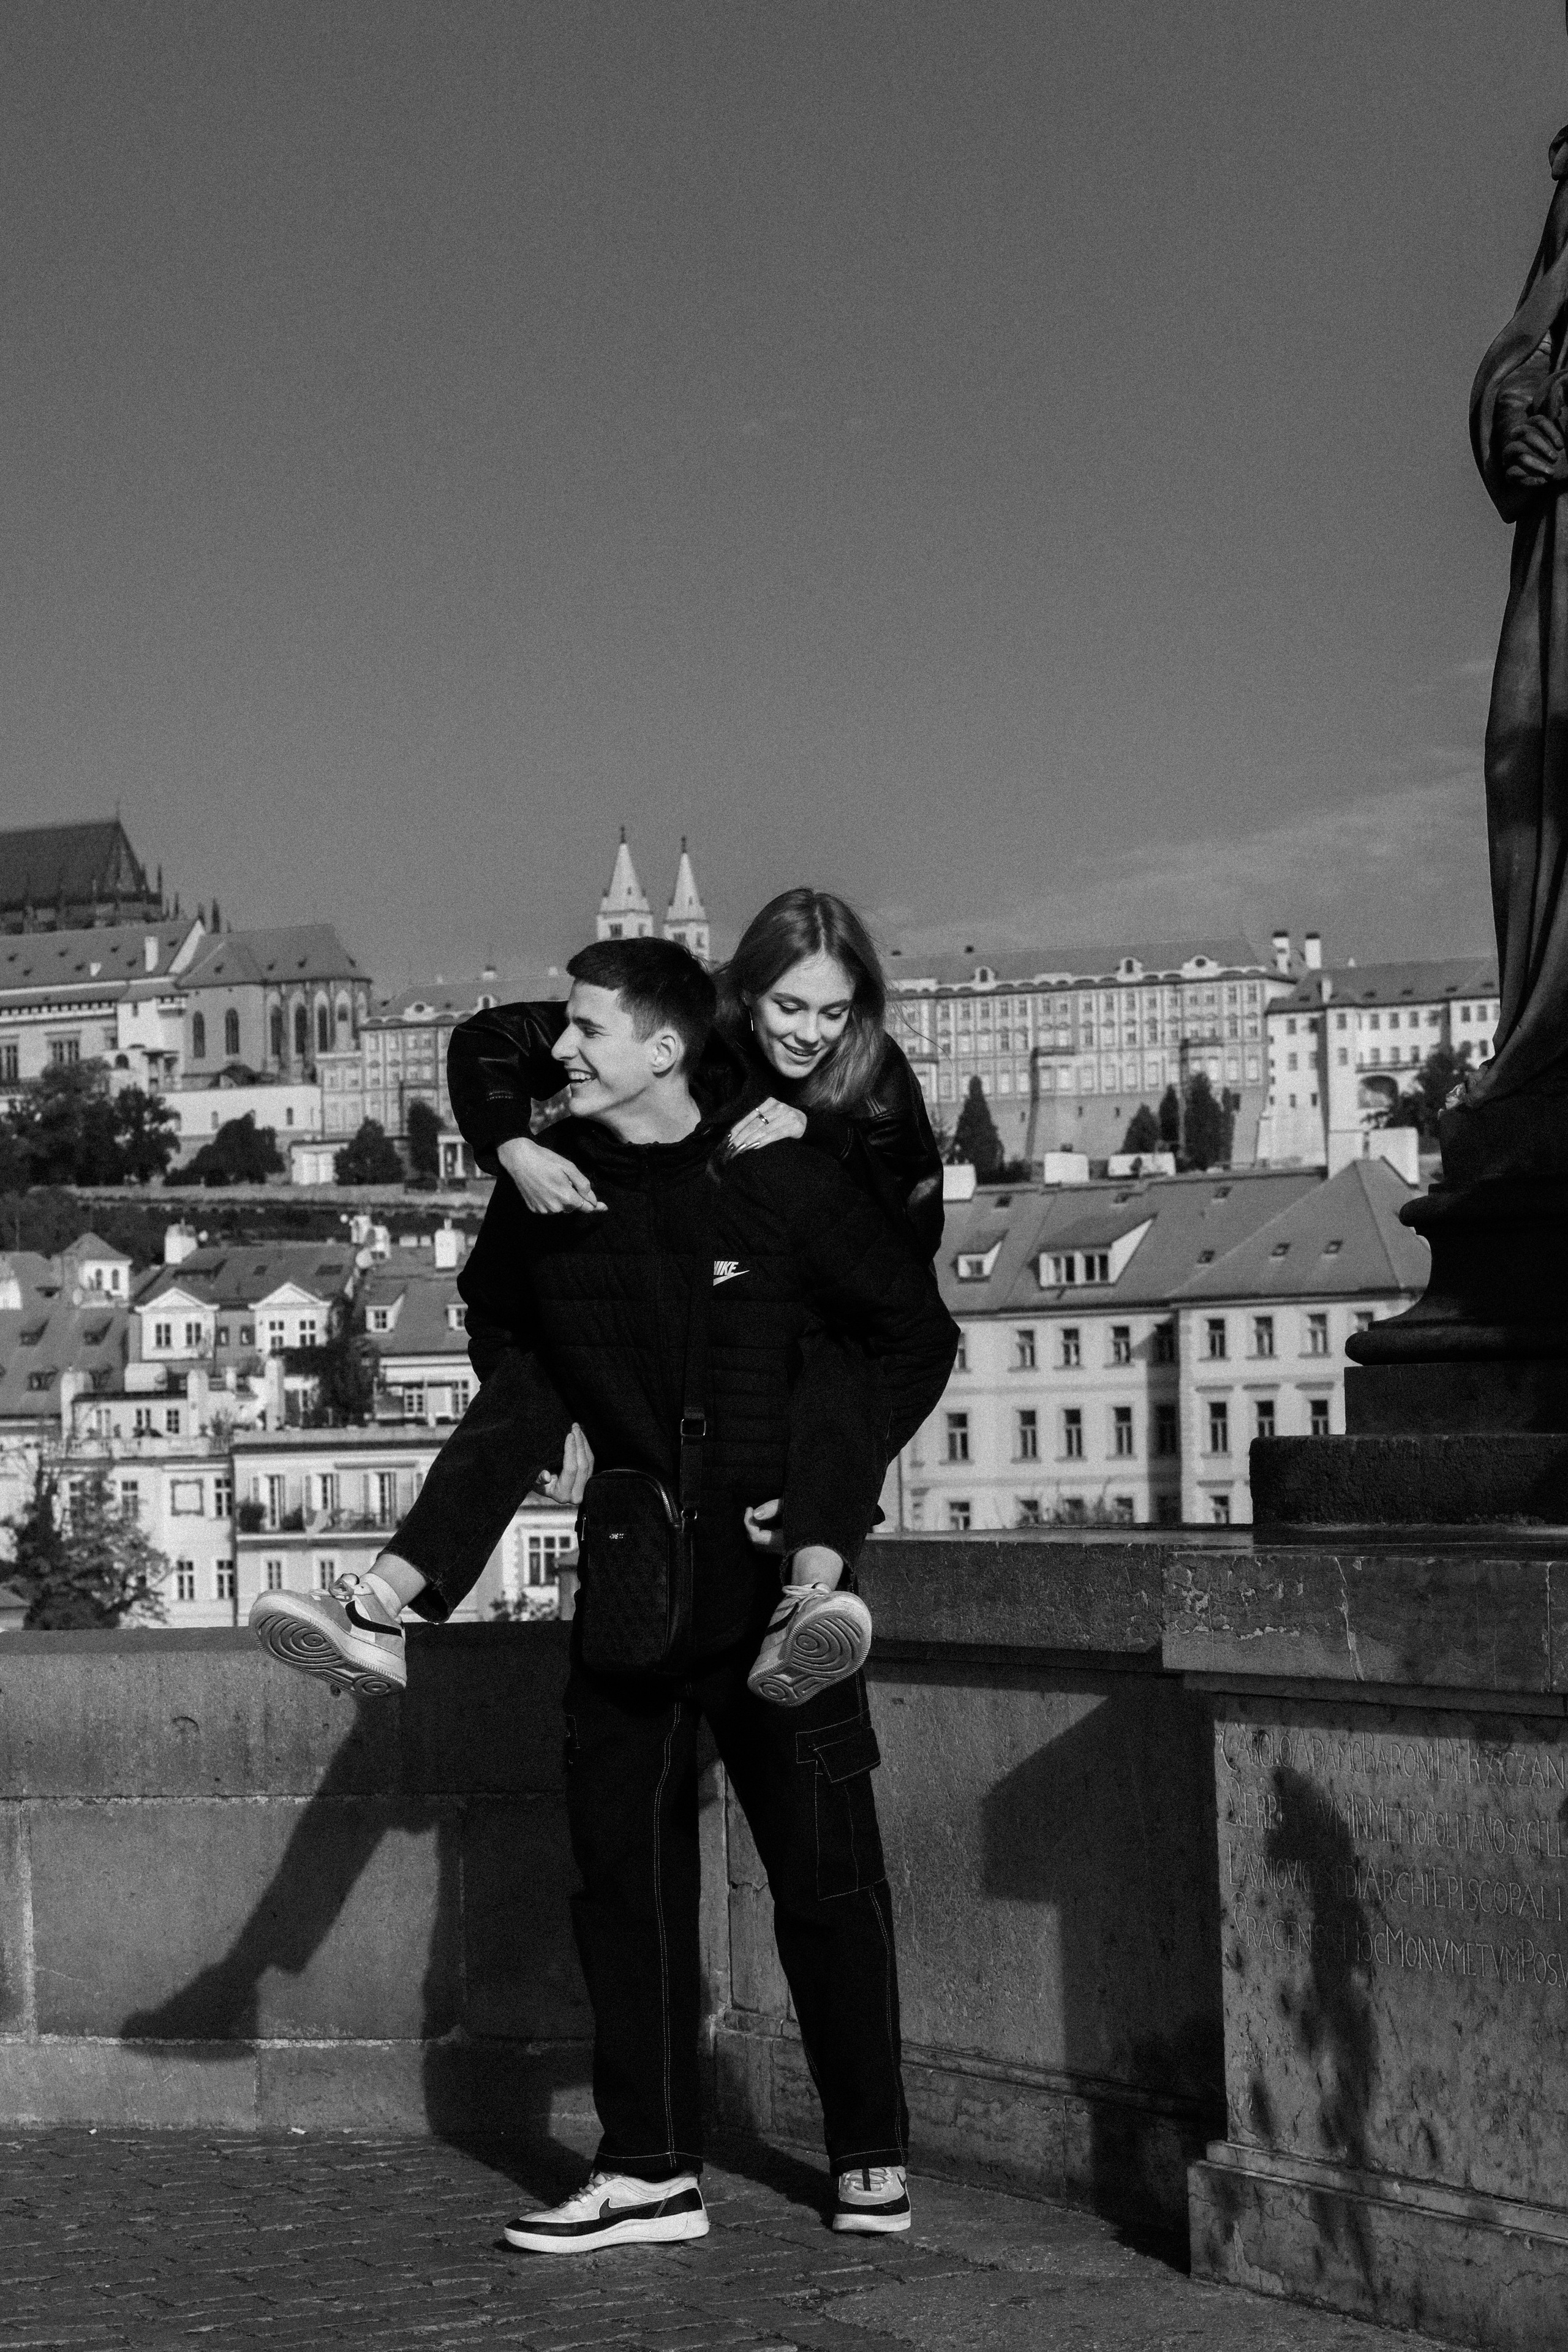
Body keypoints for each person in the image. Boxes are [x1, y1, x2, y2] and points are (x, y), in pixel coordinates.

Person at [252, 938, 958, 2247]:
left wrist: (822, 1498)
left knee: (822, 1880)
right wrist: (508, 1153)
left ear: (666, 1048)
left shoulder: (787, 1175)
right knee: (619, 1886)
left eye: (587, 1030)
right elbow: (504, 1346)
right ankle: (649, 2169)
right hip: (634, 1575)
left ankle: (867, 2154)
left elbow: (908, 1334)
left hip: (769, 1579)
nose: (562, 1051)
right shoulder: (545, 1189)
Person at [444, 888, 943, 1702]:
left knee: (839, 1351)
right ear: (744, 991)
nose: (809, 1035)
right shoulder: (682, 1023)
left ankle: (814, 1585)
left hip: (816, 1319)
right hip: (700, 1354)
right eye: (788, 1006)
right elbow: (492, 1039)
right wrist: (511, 1147)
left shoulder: (875, 1074)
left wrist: (821, 1133)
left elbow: (910, 1228)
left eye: (834, 1012)